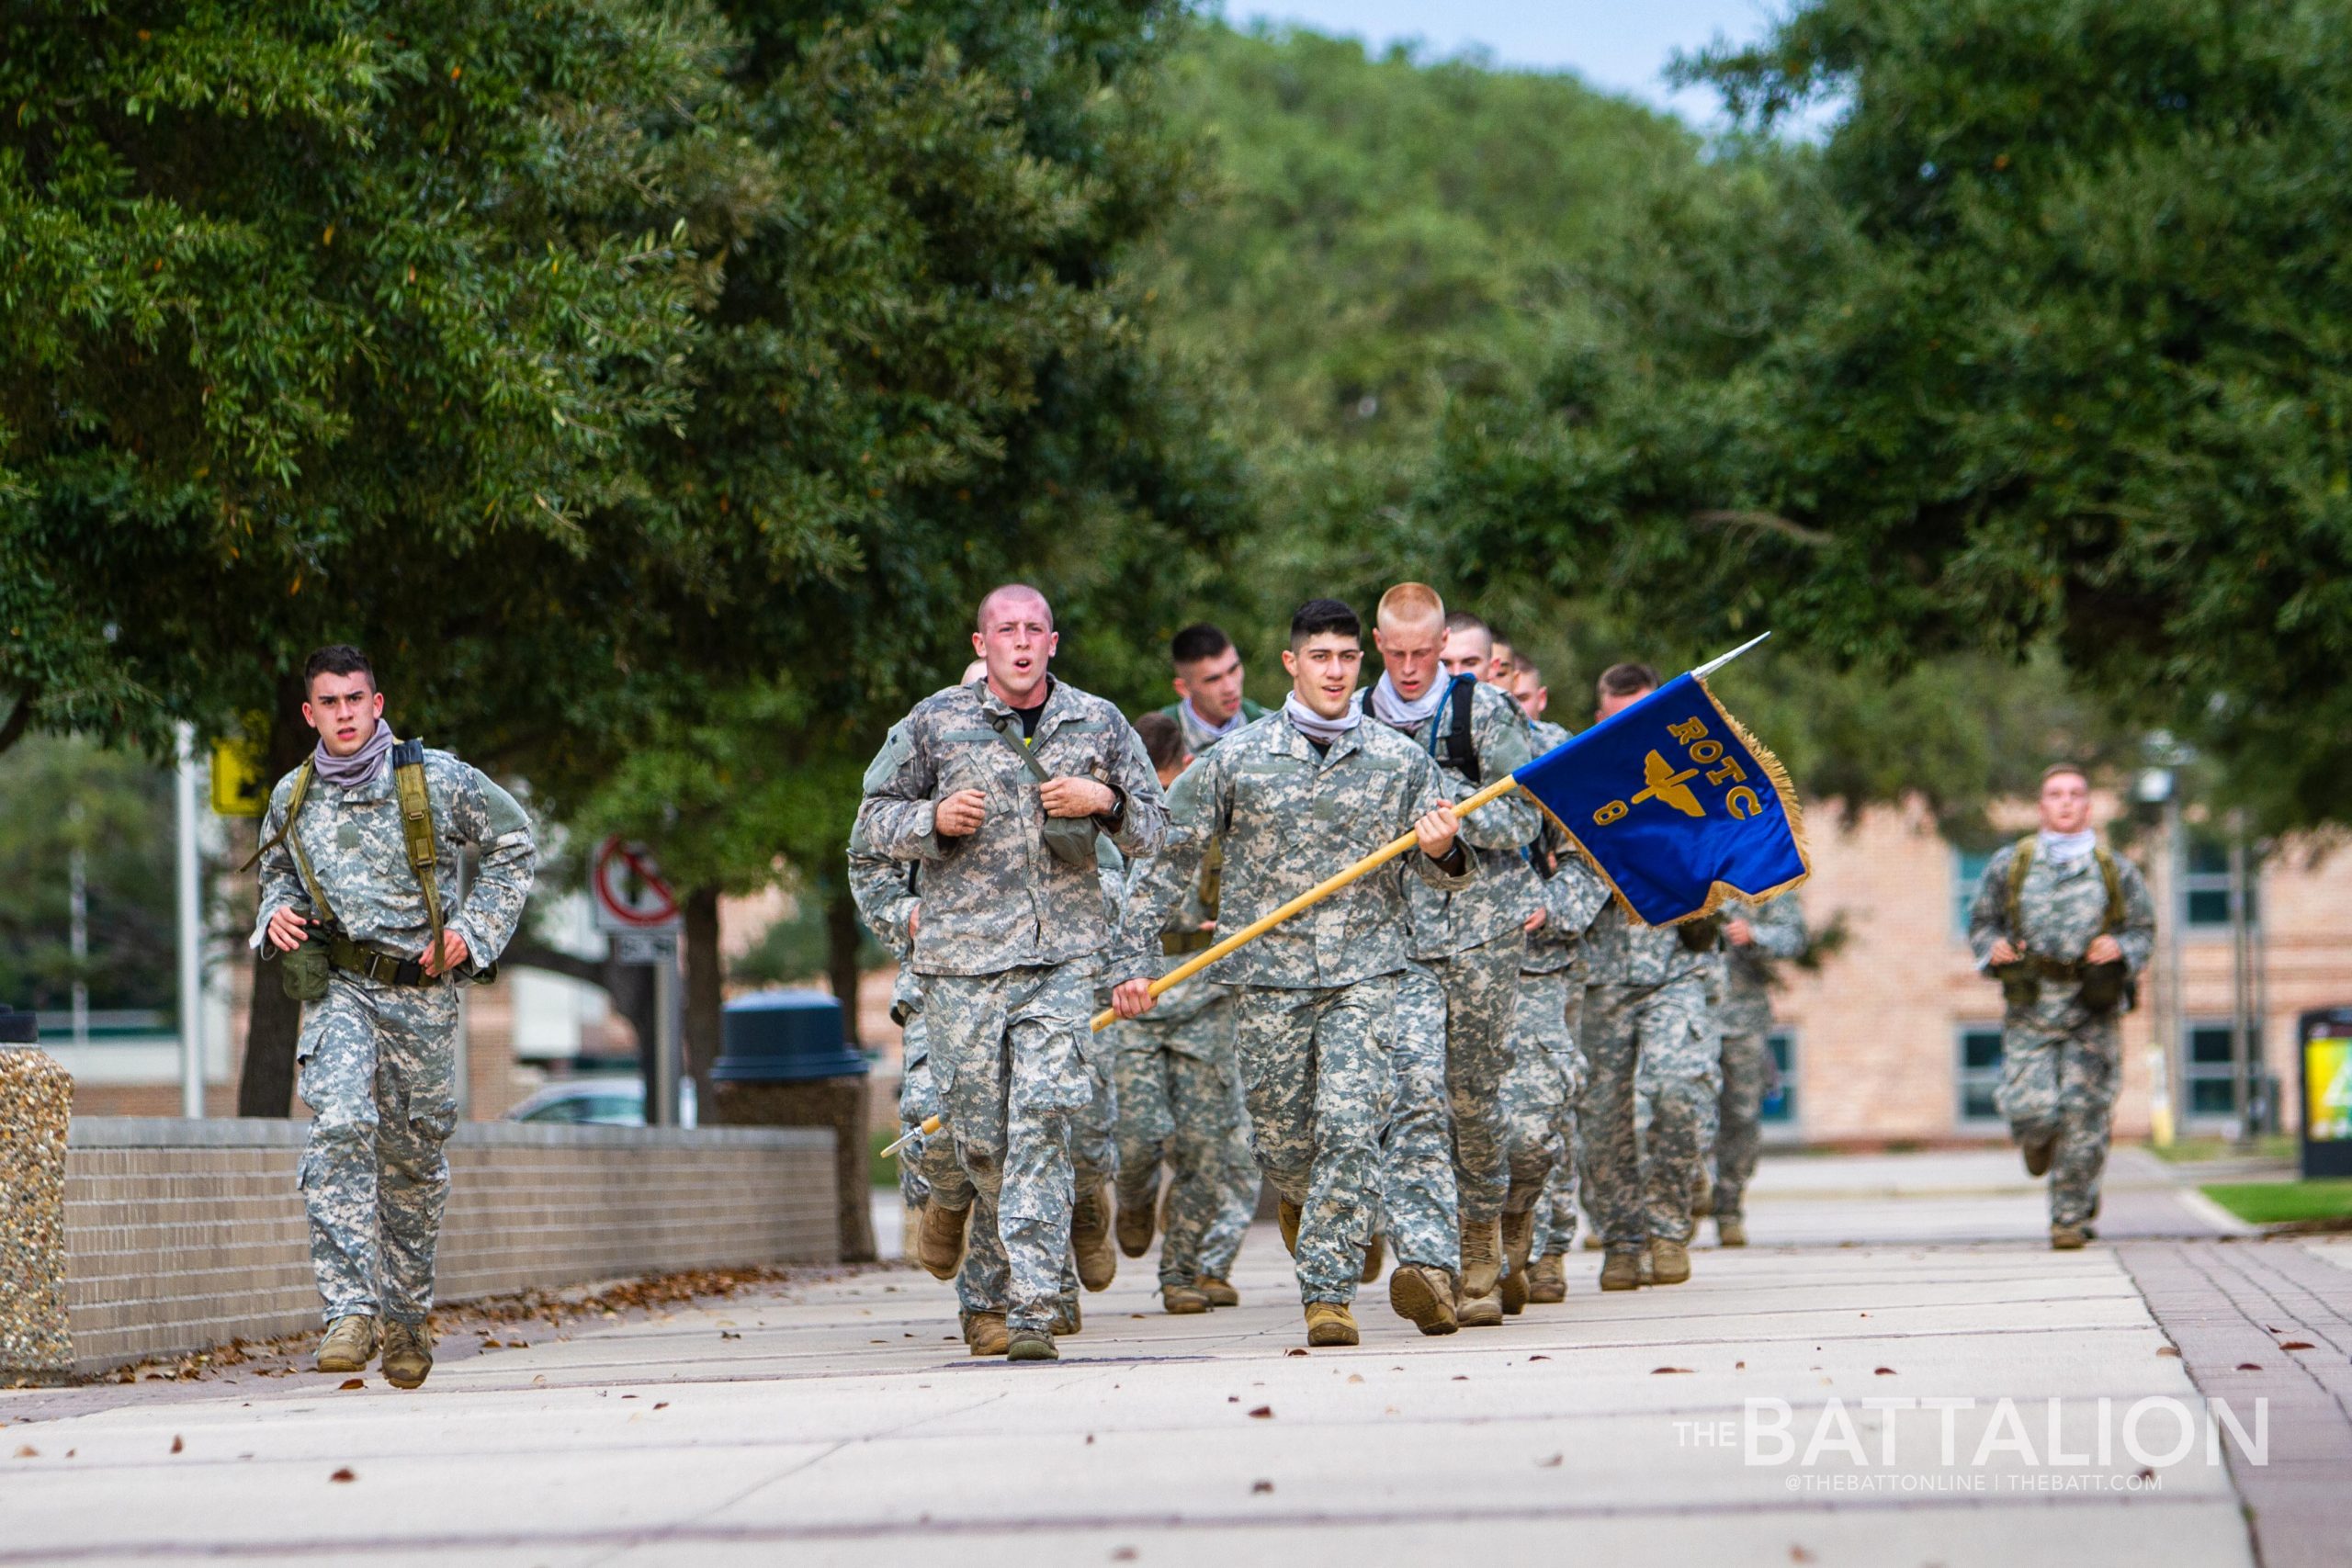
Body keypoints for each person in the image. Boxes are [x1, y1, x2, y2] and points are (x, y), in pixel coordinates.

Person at [1116, 599, 1471, 1348]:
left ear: (1359, 663)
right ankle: (1313, 1206)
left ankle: (1328, 1294)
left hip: (1365, 975)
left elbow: (1444, 876)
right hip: (1269, 983)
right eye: (1321, 657)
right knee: (1286, 1146)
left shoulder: (1399, 761)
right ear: (1292, 664)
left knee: (1350, 1126)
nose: (1335, 671)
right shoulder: (1235, 760)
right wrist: (1131, 956)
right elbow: (1166, 860)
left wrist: (1441, 849)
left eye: (1347, 658)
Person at [855, 585, 1167, 1361]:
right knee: (981, 1139)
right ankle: (985, 1293)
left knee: (1042, 1121)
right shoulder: (933, 722)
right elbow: (868, 825)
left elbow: (1160, 831)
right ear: (983, 641)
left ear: (1052, 642)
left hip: (1060, 958)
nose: (1021, 642)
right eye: (1006, 630)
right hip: (960, 965)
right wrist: (931, 820)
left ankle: (1031, 1304)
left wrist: (1106, 798)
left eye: (1034, 630)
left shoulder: (1098, 721)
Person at [253, 645, 537, 1389]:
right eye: (329, 702)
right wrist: (274, 914)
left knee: (411, 1165)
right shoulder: (292, 796)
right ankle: (349, 1309)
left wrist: (473, 932)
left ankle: (406, 1316)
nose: (343, 713)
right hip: (340, 986)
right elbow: (276, 876)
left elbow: (515, 843)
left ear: (377, 705)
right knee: (342, 1123)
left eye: (355, 699)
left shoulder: (434, 779)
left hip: (422, 995)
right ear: (309, 713)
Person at [1359, 593, 1543, 1326]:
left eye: (1423, 654)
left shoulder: (1490, 713)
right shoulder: (1355, 717)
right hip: (1393, 936)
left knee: (1474, 1101)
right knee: (1412, 1093)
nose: (1408, 669)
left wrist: (1450, 813)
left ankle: (1480, 1240)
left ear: (1445, 644)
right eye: (1395, 654)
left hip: (1478, 934)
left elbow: (1527, 814)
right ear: (1378, 643)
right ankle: (1429, 1262)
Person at [1576, 661, 1721, 1292]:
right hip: (1602, 975)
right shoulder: (1577, 779)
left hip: (1676, 969)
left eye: (1636, 717)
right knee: (1603, 1115)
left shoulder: (1703, 783)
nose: (1623, 732)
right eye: (1612, 721)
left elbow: (1732, 864)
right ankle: (1622, 1237)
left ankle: (1666, 1224)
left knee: (1676, 1091)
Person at [1967, 764, 2156, 1248]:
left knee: (2086, 1114)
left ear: (2088, 806)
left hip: (2092, 1008)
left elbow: (2143, 930)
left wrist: (2121, 948)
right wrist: (1994, 950)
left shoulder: (2115, 869)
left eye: (2075, 794)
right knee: (2031, 1109)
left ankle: (2068, 1219)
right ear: (2041, 806)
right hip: (2031, 1007)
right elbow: (1982, 924)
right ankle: (2035, 1141)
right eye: (2056, 794)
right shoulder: (2011, 865)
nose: (2066, 802)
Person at [1109, 713, 1261, 1314]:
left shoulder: (1213, 824)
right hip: (1133, 1004)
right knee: (1140, 1137)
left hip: (1203, 1000)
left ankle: (1183, 1270)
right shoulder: (1110, 824)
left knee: (1205, 1146)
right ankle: (1137, 1196)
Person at [1707, 893, 1807, 1247]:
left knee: (1741, 1113)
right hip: (1682, 1014)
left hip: (1743, 1016)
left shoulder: (1758, 869)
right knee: (1678, 1104)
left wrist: (1755, 935)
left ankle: (1729, 1206)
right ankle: (1680, 1203)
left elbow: (1794, 936)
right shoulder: (1676, 854)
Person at [1159, 623, 1268, 755]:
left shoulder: (1271, 727)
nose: (1230, 688)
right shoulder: (1154, 741)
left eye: (1233, 669)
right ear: (1184, 689)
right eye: (1213, 679)